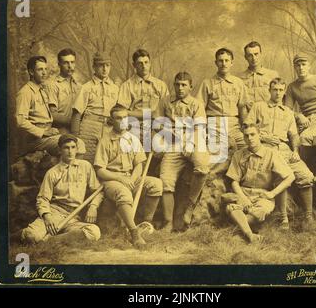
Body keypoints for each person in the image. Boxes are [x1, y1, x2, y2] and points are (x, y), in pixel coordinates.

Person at [245, 78, 315, 228]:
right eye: (274, 89)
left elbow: (294, 135)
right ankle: (283, 218)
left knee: (306, 175)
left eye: (280, 90)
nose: (277, 93)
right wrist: (263, 137)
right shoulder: (259, 107)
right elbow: (248, 126)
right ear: (269, 91)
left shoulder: (288, 112)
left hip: (283, 148)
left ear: (284, 92)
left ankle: (308, 216)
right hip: (265, 148)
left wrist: (295, 151)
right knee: (281, 175)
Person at [94, 105, 163, 248]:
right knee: (124, 193)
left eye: (125, 117)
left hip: (131, 178)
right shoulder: (105, 141)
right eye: (118, 118)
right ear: (112, 121)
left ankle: (145, 223)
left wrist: (131, 179)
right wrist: (121, 179)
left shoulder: (133, 139)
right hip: (112, 180)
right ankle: (134, 233)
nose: (123, 121)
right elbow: (100, 170)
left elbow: (139, 164)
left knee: (156, 184)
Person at [21, 134, 103, 244]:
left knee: (94, 232)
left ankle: (50, 241)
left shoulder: (85, 166)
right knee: (31, 235)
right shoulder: (52, 172)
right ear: (60, 150)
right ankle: (40, 237)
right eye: (66, 147)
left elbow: (98, 191)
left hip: (73, 217)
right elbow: (42, 199)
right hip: (55, 213)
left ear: (77, 149)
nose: (70, 151)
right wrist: (47, 217)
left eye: (73, 147)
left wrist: (93, 206)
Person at [154, 72, 210, 230]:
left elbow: (200, 127)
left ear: (191, 87)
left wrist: (191, 143)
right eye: (177, 84)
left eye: (184, 85)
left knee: (203, 166)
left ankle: (190, 206)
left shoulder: (196, 103)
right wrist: (166, 132)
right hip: (172, 143)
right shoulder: (165, 101)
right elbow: (156, 123)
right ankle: (168, 222)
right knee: (166, 181)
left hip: (193, 141)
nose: (180, 88)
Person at [222, 123, 294, 243]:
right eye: (246, 136)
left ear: (259, 135)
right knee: (232, 206)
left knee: (258, 213)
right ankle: (250, 235)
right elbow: (234, 181)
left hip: (262, 195)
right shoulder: (239, 155)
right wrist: (243, 198)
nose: (249, 138)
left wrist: (272, 194)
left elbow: (290, 176)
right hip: (243, 192)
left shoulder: (271, 154)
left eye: (252, 134)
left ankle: (240, 225)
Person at [196, 48, 248, 174]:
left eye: (226, 60)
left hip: (234, 125)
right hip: (215, 124)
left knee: (248, 150)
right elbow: (199, 109)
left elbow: (242, 108)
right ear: (216, 63)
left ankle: (240, 183)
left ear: (232, 63)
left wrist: (246, 126)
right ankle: (209, 177)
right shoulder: (207, 83)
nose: (224, 63)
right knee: (215, 156)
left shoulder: (238, 83)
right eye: (220, 61)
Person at [71, 52, 119, 163]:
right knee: (86, 160)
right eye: (101, 65)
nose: (104, 69)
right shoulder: (86, 87)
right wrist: (75, 137)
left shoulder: (115, 88)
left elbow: (119, 111)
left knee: (105, 161)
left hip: (108, 128)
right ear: (94, 67)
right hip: (89, 126)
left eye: (107, 65)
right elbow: (77, 113)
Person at [15, 56, 61, 156]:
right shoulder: (25, 92)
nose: (44, 73)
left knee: (74, 143)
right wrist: (43, 132)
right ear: (31, 72)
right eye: (40, 69)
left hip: (46, 137)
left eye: (45, 69)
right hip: (34, 140)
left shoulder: (42, 90)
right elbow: (20, 121)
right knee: (68, 145)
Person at [45, 48, 81, 134]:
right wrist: (74, 123)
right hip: (60, 131)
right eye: (66, 63)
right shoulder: (53, 85)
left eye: (72, 62)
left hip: (79, 130)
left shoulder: (79, 86)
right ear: (59, 64)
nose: (70, 66)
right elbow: (52, 115)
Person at [239, 41, 279, 110]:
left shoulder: (273, 75)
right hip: (247, 116)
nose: (254, 58)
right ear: (245, 57)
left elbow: (279, 99)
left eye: (256, 54)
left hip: (268, 114)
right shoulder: (239, 78)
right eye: (250, 55)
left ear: (261, 54)